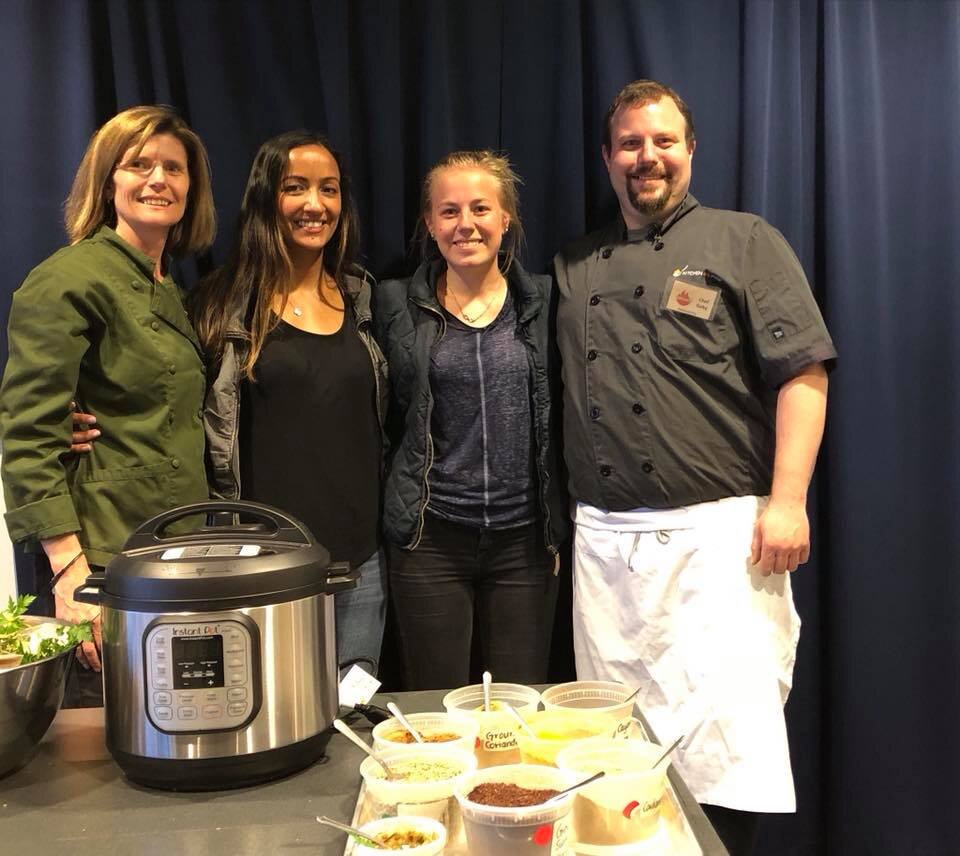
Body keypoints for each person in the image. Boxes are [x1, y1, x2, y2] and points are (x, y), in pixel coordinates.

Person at [553, 80, 836, 855]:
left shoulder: (745, 240)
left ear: (690, 149)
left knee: (724, 752)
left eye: (663, 141)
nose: (648, 157)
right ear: (608, 158)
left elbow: (804, 374)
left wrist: (788, 502)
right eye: (632, 144)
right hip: (605, 548)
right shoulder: (574, 264)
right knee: (617, 761)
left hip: (719, 543)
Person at [0, 105, 216, 706]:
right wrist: (71, 574)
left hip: (174, 551)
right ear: (107, 179)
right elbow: (25, 437)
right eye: (139, 164)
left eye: (174, 168)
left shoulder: (166, 285)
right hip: (102, 559)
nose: (158, 180)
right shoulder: (68, 279)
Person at [191, 131, 388, 676]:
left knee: (352, 722)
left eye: (328, 189)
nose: (314, 205)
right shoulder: (220, 304)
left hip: (360, 563)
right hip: (264, 565)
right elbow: (171, 410)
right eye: (294, 187)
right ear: (264, 198)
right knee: (274, 725)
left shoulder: (361, 297)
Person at [373, 150, 567, 691]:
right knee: (436, 710)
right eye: (449, 211)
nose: (465, 225)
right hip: (429, 539)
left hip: (525, 544)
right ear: (430, 224)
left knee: (518, 707)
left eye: (480, 208)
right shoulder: (393, 303)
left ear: (506, 219)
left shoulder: (549, 300)